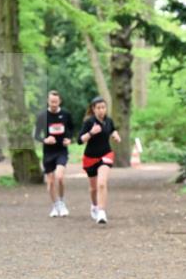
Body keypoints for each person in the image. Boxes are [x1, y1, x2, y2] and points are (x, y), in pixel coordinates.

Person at [78, 96, 121, 225]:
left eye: (103, 107)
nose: (101, 110)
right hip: (90, 157)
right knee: (93, 188)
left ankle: (101, 212)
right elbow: (79, 141)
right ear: (93, 109)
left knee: (101, 183)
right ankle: (94, 205)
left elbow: (112, 129)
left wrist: (115, 135)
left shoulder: (109, 121)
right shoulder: (89, 122)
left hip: (106, 155)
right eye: (98, 108)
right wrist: (91, 133)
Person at [33, 90, 74, 217]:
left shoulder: (66, 114)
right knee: (50, 182)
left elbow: (72, 129)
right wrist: (45, 140)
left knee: (60, 177)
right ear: (48, 101)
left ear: (59, 101)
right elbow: (36, 135)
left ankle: (61, 203)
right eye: (51, 102)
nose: (54, 104)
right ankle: (55, 205)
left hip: (61, 150)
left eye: (56, 102)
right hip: (48, 152)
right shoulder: (42, 116)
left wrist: (69, 139)